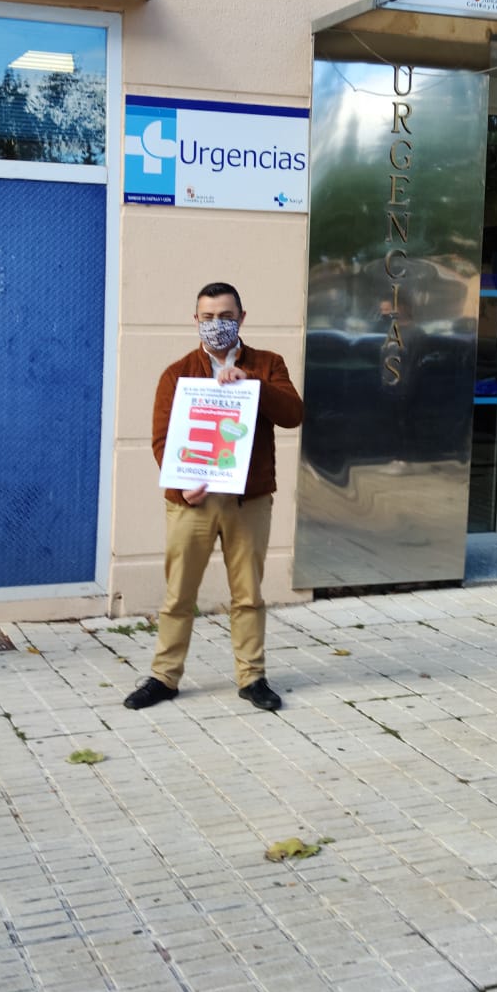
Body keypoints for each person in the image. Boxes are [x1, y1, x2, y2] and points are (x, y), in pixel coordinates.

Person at [129, 282, 305, 714]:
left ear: (242, 318)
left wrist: (253, 385)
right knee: (178, 594)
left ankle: (252, 677)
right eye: (207, 317)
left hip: (249, 501)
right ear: (195, 320)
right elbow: (160, 439)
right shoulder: (178, 372)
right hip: (193, 501)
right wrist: (180, 484)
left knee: (248, 594)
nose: (216, 325)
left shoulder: (268, 364)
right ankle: (164, 677)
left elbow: (293, 414)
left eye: (225, 316)